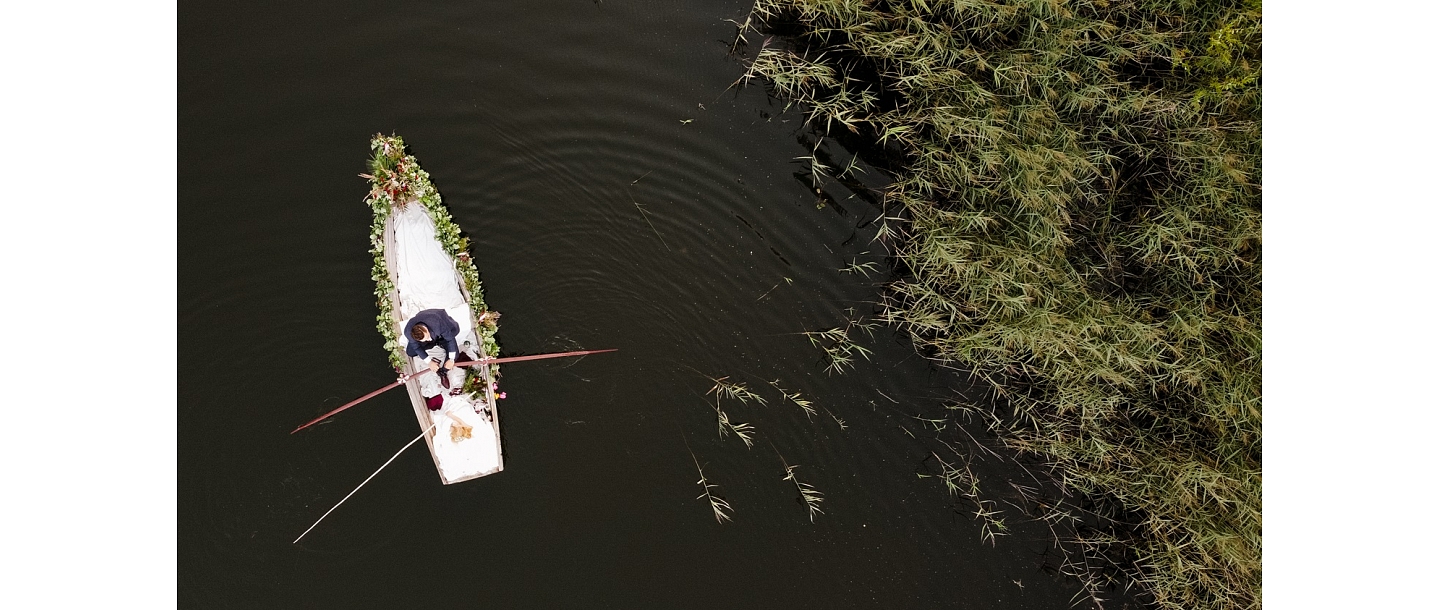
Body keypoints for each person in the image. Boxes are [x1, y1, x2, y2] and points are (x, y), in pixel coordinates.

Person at [403, 309, 464, 395]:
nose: (428, 339)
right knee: (410, 352)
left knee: (454, 354)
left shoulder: (437, 323)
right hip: (428, 336)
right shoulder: (408, 332)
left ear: (425, 329)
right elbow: (416, 347)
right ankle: (433, 345)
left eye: (427, 337)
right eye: (425, 340)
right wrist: (429, 361)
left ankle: (443, 372)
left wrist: (451, 359)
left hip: (443, 333)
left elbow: (450, 339)